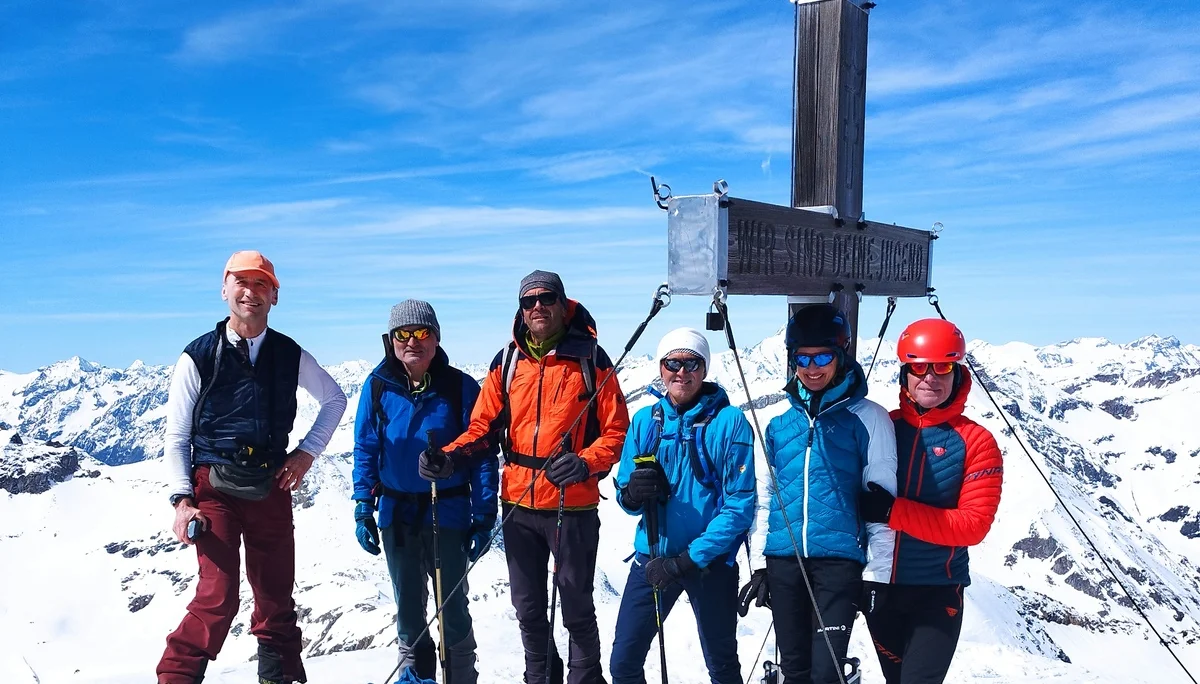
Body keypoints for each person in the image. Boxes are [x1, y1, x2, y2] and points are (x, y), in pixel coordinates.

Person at [421, 270, 630, 684]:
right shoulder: (508, 360)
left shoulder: (591, 358)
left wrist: (586, 463)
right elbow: (483, 427)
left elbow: (616, 431)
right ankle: (539, 676)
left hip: (573, 503)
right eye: (528, 301)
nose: (537, 306)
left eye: (545, 298)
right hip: (518, 501)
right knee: (529, 608)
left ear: (562, 302)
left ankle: (585, 678)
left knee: (575, 605)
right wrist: (447, 459)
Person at [157, 251, 348, 684]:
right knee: (217, 597)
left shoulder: (289, 353)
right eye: (241, 282)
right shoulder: (199, 356)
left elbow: (335, 399)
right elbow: (176, 437)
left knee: (276, 596)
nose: (251, 292)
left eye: (261, 284)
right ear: (224, 289)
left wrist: (306, 452)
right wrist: (182, 500)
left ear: (275, 296)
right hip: (214, 489)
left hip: (270, 486)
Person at [739, 304, 897, 684]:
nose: (812, 368)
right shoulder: (778, 422)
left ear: (840, 357)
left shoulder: (868, 418)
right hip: (784, 561)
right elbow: (764, 495)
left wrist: (877, 575)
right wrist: (759, 563)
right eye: (802, 358)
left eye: (823, 356)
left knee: (826, 674)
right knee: (794, 672)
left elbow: (882, 504)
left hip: (839, 565)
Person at [351, 300, 499, 683]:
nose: (412, 341)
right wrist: (364, 507)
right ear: (391, 340)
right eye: (403, 333)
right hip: (397, 515)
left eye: (422, 332)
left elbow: (482, 451)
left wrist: (484, 516)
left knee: (451, 610)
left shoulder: (460, 387)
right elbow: (367, 447)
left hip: (447, 512)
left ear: (436, 338)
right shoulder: (378, 386)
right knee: (409, 613)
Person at [857, 318, 1003, 684]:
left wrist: (893, 512)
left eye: (943, 367)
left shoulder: (976, 441)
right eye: (919, 367)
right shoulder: (882, 427)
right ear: (905, 374)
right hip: (881, 586)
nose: (930, 378)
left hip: (938, 590)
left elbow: (973, 525)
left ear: (957, 373)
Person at [609, 328, 756, 684]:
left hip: (708, 562)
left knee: (721, 665)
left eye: (691, 362)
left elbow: (740, 505)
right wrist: (632, 494)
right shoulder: (646, 420)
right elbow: (624, 492)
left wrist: (686, 561)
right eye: (672, 362)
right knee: (623, 664)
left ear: (704, 369)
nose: (681, 371)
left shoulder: (729, 421)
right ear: (661, 369)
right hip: (654, 556)